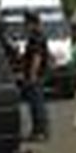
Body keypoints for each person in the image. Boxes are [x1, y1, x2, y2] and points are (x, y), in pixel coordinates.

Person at [20, 10, 51, 141]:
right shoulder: (39, 35)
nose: (24, 26)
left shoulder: (36, 36)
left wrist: (32, 75)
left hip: (35, 75)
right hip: (38, 74)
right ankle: (39, 131)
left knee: (36, 104)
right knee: (37, 103)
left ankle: (40, 132)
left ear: (32, 23)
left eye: (26, 23)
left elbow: (37, 57)